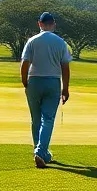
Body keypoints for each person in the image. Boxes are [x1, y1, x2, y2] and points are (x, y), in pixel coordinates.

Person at [20, 12, 72, 169]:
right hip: (52, 82)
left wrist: (25, 82)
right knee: (48, 119)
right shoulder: (61, 43)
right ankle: (41, 153)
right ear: (54, 24)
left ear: (39, 24)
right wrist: (65, 89)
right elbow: (65, 67)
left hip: (34, 81)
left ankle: (39, 152)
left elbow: (24, 64)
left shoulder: (32, 41)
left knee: (36, 120)